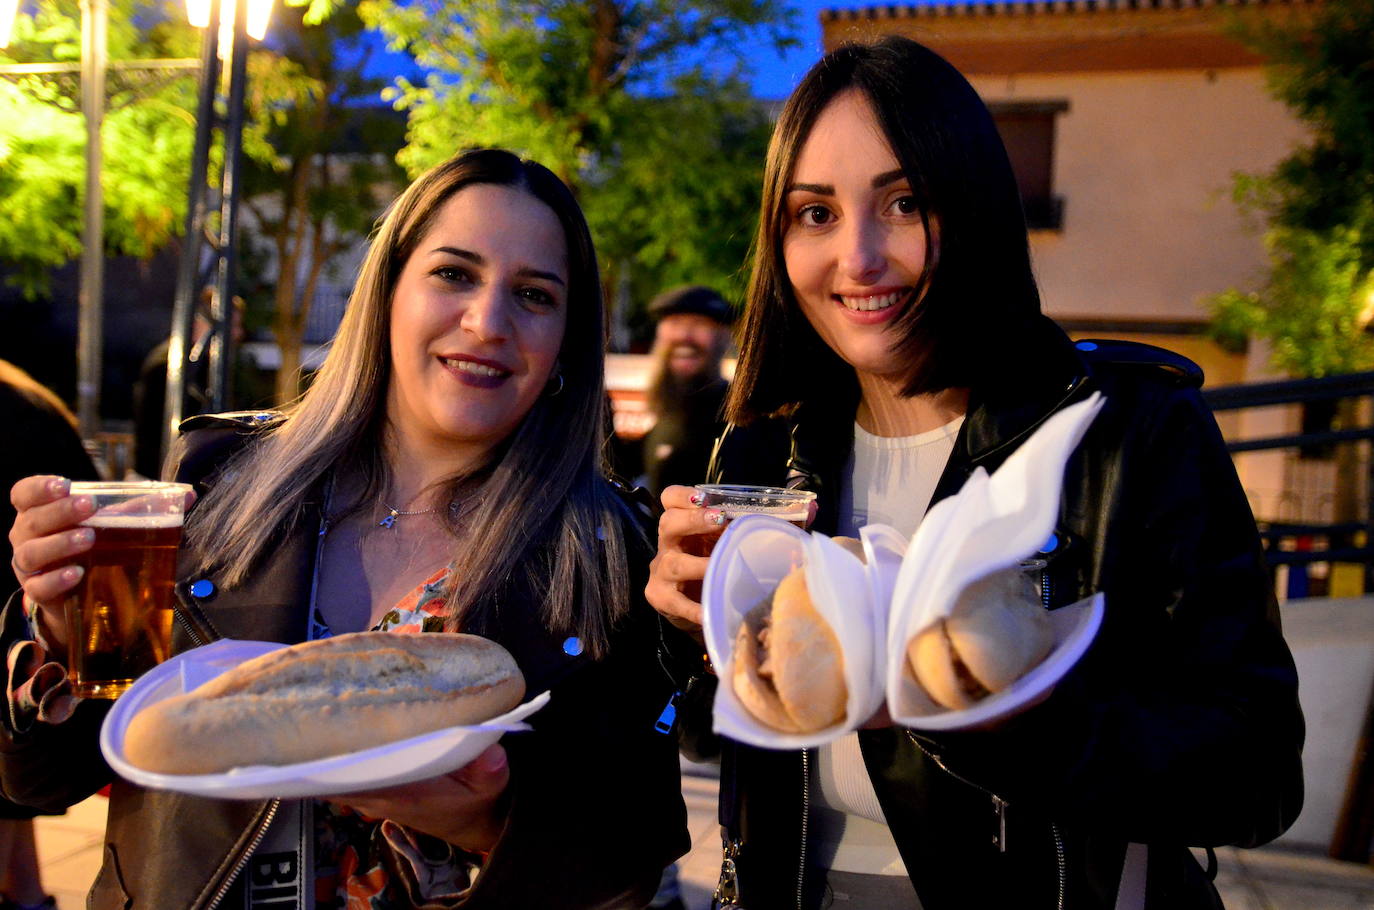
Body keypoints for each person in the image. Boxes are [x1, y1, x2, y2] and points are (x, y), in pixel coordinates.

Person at [646, 37, 1304, 910]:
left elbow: (1254, 776)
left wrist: (1012, 724)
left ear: (978, 207)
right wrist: (690, 632)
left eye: (905, 202)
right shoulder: (765, 450)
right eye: (816, 213)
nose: (859, 258)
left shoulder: (1131, 433)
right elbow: (705, 736)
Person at [2, 149, 688, 909]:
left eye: (533, 294)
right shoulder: (217, 475)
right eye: (454, 274)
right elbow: (35, 781)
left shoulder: (609, 550)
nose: (487, 322)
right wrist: (59, 634)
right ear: (388, 291)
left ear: (565, 339)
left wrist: (495, 824)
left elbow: (633, 848)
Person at [0, 360, 98, 910]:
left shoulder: (13, 406)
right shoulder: (26, 396)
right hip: (33, 614)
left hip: (28, 615)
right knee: (11, 796)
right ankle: (30, 896)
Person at [638, 286, 735, 496]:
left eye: (699, 325)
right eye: (675, 323)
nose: (684, 335)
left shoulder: (741, 422)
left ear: (724, 337)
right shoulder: (667, 412)